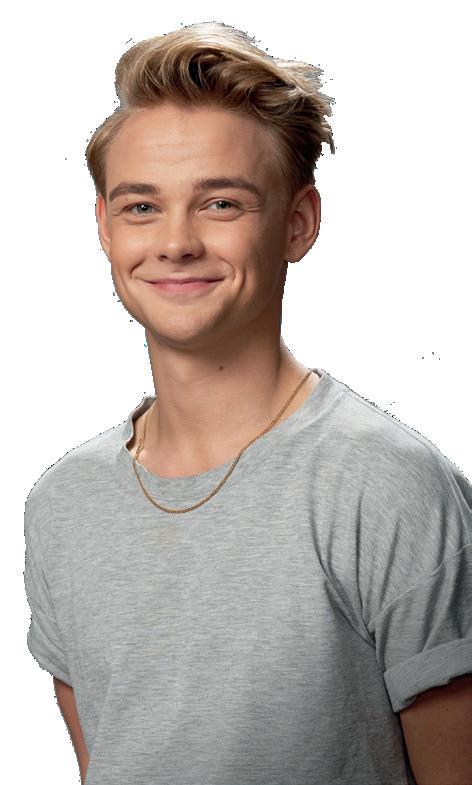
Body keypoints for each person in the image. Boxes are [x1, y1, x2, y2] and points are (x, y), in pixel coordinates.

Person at [23, 21, 472, 785]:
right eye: (141, 206)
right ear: (103, 226)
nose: (176, 242)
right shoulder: (63, 502)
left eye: (221, 203)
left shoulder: (387, 486)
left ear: (298, 223)